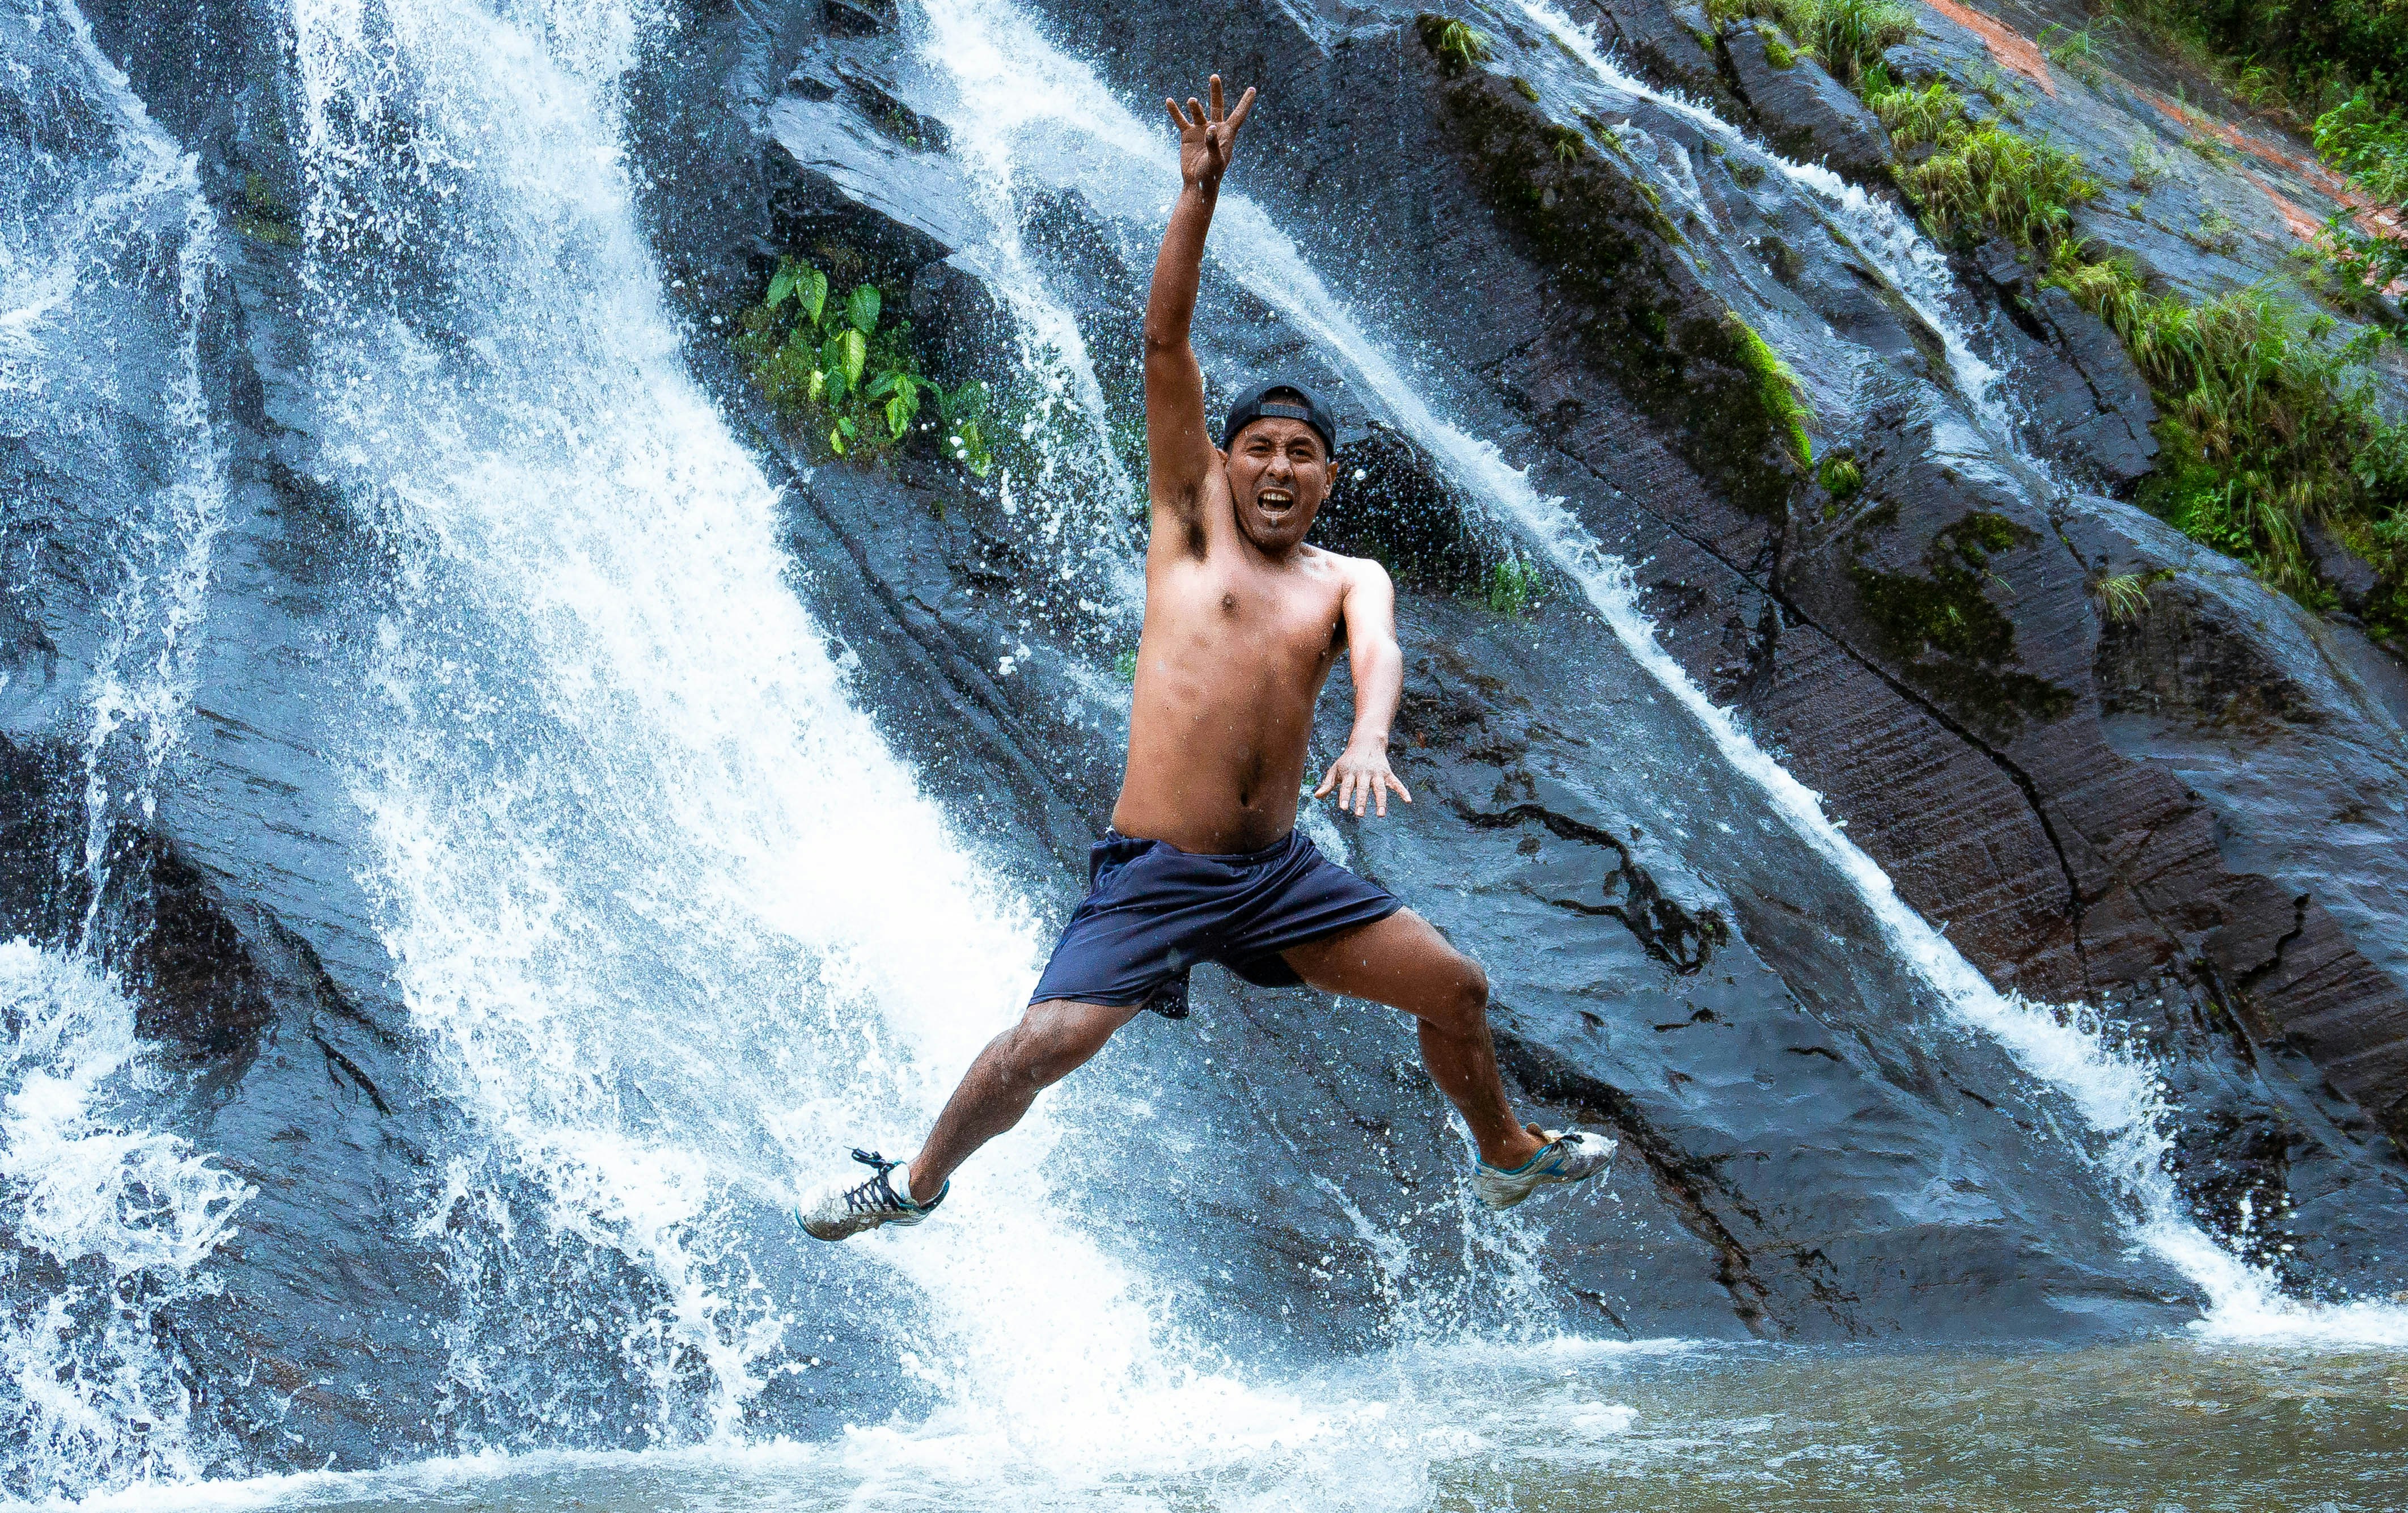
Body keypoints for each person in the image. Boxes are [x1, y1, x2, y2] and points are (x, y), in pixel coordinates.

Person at [800, 76, 1612, 1242]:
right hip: (1161, 870)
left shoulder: (1346, 578)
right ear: (1226, 462)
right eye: (1261, 450)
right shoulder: (1188, 530)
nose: (1281, 470)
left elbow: (1377, 654)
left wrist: (1372, 735)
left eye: (1305, 456)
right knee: (1047, 1043)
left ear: (1333, 477)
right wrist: (1199, 194)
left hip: (1277, 876)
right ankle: (914, 1179)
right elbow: (1164, 338)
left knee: (1458, 985)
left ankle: (1508, 1154)